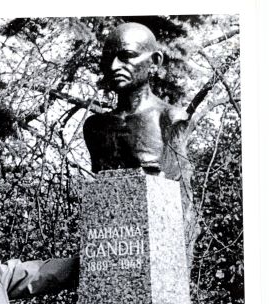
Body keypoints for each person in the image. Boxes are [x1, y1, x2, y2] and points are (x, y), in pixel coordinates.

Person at [83, 21, 196, 265]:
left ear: (154, 62)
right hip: (111, 249)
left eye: (127, 57)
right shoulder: (95, 127)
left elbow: (178, 199)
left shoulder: (170, 119)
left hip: (158, 246)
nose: (114, 67)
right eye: (109, 59)